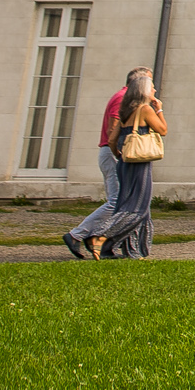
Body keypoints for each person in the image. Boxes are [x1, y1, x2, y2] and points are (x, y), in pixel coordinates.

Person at [62, 69, 146, 260]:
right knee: (116, 201)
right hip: (113, 152)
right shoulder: (122, 98)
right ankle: (79, 234)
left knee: (119, 202)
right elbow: (112, 128)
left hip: (112, 152)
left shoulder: (125, 97)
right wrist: (119, 153)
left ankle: (107, 246)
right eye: (149, 82)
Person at [88, 71, 168, 260]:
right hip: (140, 164)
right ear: (143, 91)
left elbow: (113, 138)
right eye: (152, 87)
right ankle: (100, 235)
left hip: (124, 163)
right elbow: (163, 130)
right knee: (139, 207)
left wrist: (119, 154)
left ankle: (130, 251)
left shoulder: (125, 111)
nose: (155, 90)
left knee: (125, 204)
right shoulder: (145, 109)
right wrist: (159, 109)